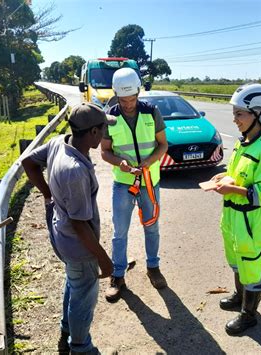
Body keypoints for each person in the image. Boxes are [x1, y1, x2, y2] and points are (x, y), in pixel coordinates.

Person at [22, 103, 115, 354]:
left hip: (60, 233)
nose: (106, 131)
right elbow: (79, 224)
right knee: (84, 295)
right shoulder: (75, 171)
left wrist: (49, 194)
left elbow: (29, 162)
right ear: (94, 132)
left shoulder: (58, 143)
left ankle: (67, 328)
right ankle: (81, 346)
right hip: (77, 243)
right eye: (104, 127)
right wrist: (103, 258)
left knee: (74, 284)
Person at [209, 83, 261, 335]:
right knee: (235, 260)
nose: (235, 119)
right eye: (235, 113)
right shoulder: (243, 144)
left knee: (250, 265)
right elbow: (234, 174)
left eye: (240, 113)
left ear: (258, 114)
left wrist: (234, 190)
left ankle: (249, 315)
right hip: (231, 216)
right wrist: (223, 180)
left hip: (249, 220)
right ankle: (240, 297)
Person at [101, 67, 169, 302]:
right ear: (116, 95)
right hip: (123, 184)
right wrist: (120, 163)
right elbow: (104, 152)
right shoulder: (109, 117)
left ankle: (153, 267)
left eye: (132, 99)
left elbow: (163, 145)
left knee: (152, 227)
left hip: (150, 182)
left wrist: (149, 162)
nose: (128, 104)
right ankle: (117, 275)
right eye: (123, 99)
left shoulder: (152, 113)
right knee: (120, 232)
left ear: (139, 93)